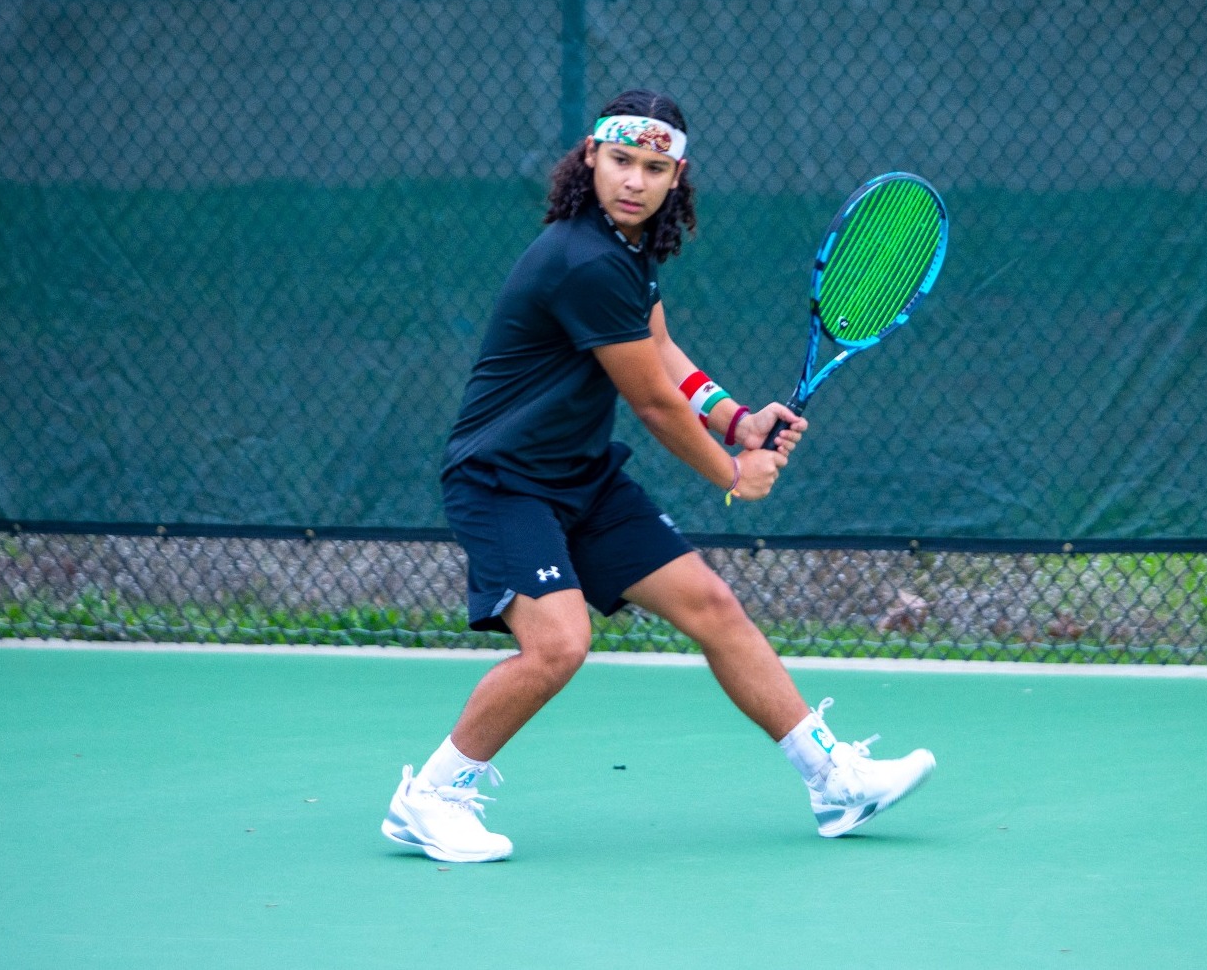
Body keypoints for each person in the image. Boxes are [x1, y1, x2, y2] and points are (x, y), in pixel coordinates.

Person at [382, 89, 935, 862]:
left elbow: (662, 353)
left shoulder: (625, 248)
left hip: (580, 477)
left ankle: (831, 780)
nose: (634, 181)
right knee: (558, 645)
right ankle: (431, 797)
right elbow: (648, 400)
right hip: (504, 482)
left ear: (677, 176)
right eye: (619, 161)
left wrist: (736, 419)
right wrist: (732, 471)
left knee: (711, 604)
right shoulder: (581, 257)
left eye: (652, 167)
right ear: (589, 158)